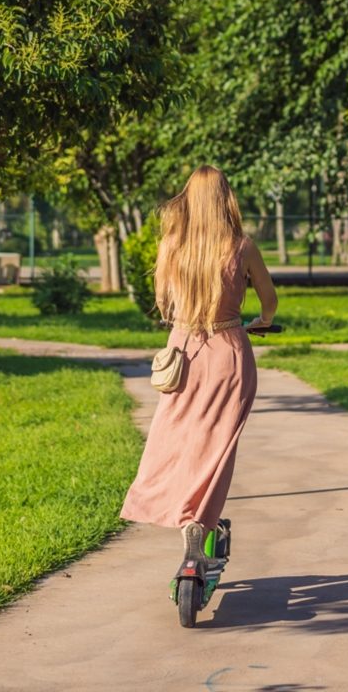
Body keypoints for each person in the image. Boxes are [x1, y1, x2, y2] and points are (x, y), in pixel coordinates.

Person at [119, 165, 278, 571]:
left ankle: (178, 510)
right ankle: (200, 520)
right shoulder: (241, 246)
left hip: (183, 350)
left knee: (176, 439)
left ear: (187, 199)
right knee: (218, 447)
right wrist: (259, 321)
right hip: (229, 353)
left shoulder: (172, 244)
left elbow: (163, 300)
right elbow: (269, 301)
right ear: (226, 199)